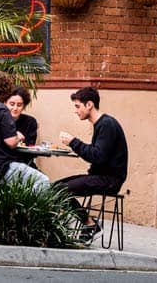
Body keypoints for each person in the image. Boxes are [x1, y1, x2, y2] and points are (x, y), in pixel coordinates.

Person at [57, 86, 129, 220]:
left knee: (60, 190)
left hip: (110, 181)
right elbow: (99, 154)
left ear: (89, 104)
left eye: (78, 106)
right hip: (101, 177)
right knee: (55, 188)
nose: (76, 111)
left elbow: (98, 156)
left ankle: (88, 224)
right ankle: (88, 224)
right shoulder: (101, 124)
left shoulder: (107, 124)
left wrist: (73, 142)